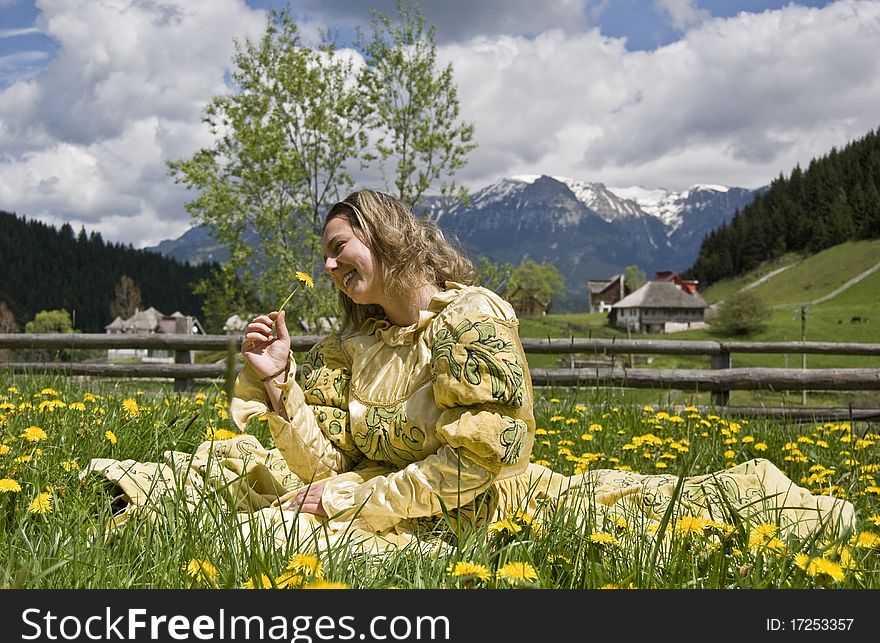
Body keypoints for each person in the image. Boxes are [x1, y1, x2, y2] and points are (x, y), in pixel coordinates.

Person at [84, 189, 855, 557]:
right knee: (255, 487)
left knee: (683, 518)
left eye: (338, 246)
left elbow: (477, 465)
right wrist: (281, 384)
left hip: (479, 507)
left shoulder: (470, 320)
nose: (326, 266)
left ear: (385, 236)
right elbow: (328, 466)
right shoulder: (359, 341)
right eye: (322, 254)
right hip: (393, 502)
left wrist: (351, 497)